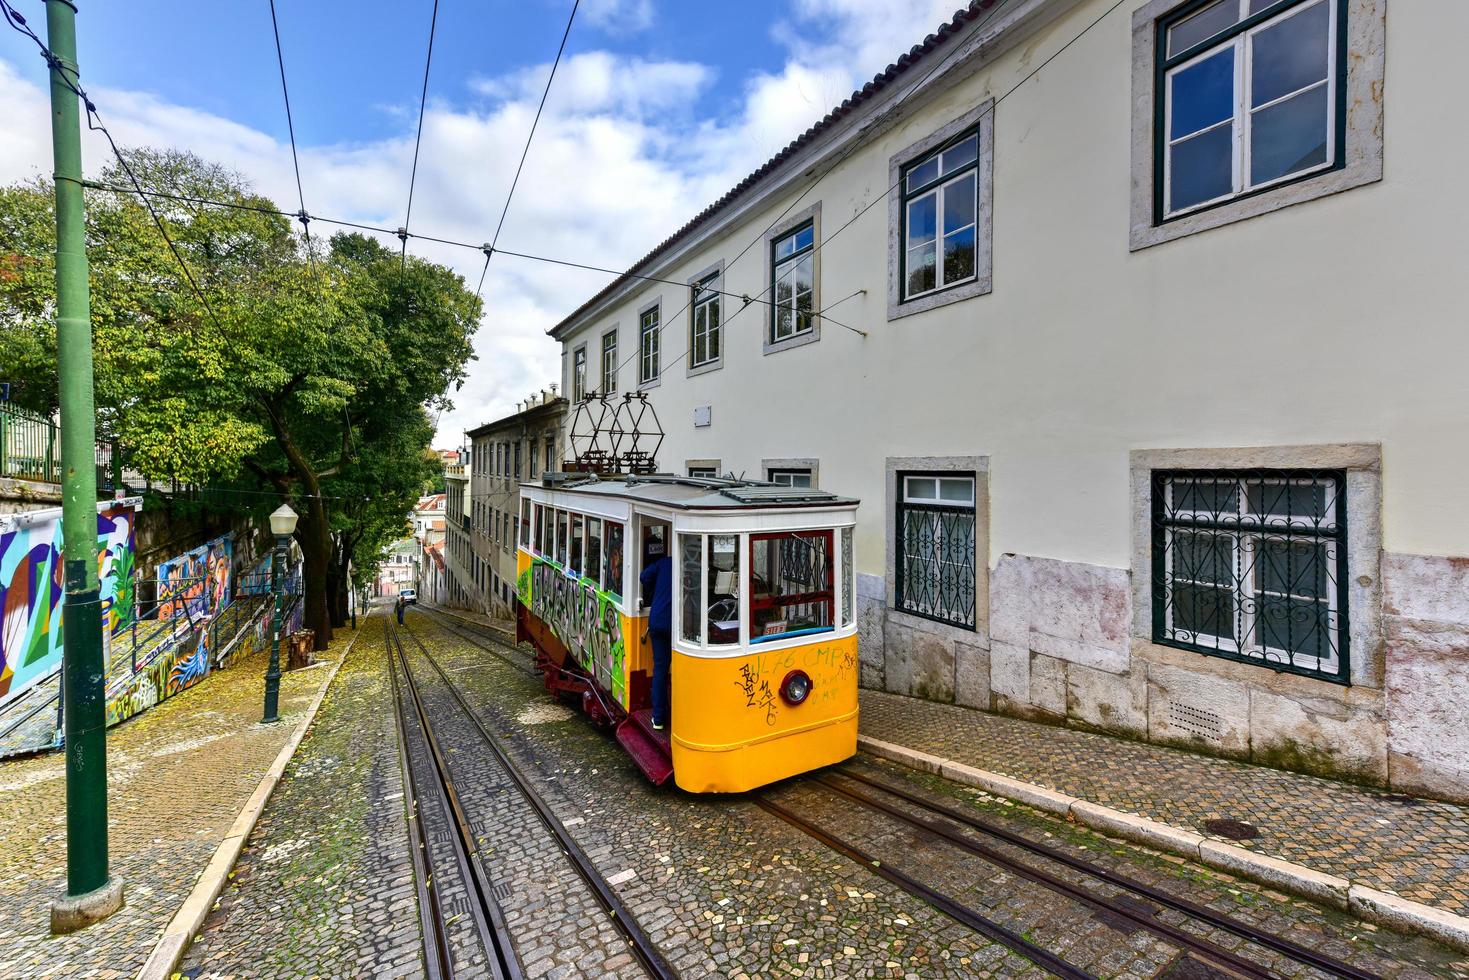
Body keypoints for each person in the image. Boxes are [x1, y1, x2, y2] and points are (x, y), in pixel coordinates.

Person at [639, 553, 673, 730]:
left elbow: (644, 576)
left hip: (658, 620)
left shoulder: (664, 563)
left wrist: (653, 593)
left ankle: (658, 718)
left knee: (660, 668)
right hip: (677, 625)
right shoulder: (692, 568)